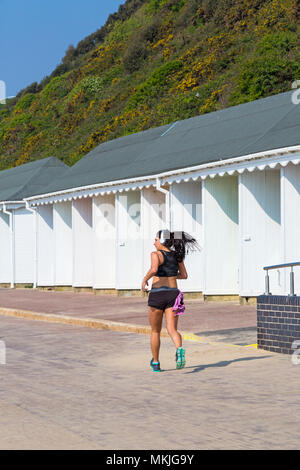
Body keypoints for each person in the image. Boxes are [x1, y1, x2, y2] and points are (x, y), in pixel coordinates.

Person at [141, 229, 200, 372]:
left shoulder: (155, 254)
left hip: (157, 295)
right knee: (172, 329)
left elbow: (154, 269)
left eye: (155, 239)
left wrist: (144, 280)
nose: (153, 242)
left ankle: (155, 363)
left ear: (161, 241)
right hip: (173, 294)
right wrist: (172, 277)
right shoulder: (177, 256)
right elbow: (184, 275)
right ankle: (179, 349)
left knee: (155, 331)